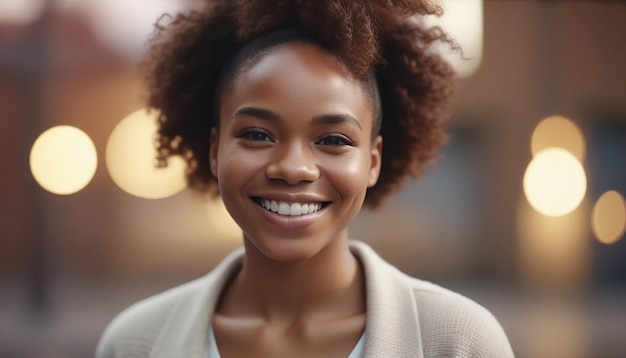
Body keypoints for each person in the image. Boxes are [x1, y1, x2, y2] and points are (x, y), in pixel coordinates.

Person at [96, 0, 515, 357]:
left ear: (373, 162)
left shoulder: (459, 343)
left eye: (333, 139)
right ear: (213, 150)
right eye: (257, 134)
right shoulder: (134, 343)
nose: (294, 168)